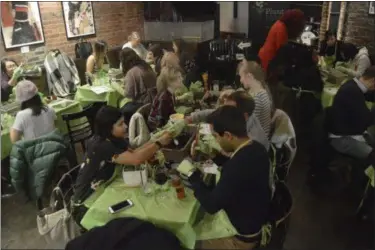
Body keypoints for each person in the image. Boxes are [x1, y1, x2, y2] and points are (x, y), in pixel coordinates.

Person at [189, 106, 272, 249]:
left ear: (228, 135)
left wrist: (192, 175)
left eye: (216, 136)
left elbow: (211, 205)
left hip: (240, 238)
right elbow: (237, 168)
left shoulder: (237, 167)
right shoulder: (257, 148)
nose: (216, 140)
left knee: (192, 241)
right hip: (255, 219)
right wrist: (216, 157)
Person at [72, 106, 172, 218]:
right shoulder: (101, 145)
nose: (125, 126)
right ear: (108, 128)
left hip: (106, 186)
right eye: (120, 124)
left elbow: (134, 153)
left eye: (124, 122)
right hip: (87, 201)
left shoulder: (115, 138)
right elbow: (135, 159)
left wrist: (155, 140)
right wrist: (158, 144)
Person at [186, 90, 269, 150]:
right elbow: (216, 113)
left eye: (228, 109)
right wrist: (191, 118)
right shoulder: (240, 116)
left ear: (245, 115)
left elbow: (237, 158)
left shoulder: (252, 139)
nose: (224, 112)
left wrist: (218, 148)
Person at [328, 66, 375, 167]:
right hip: (342, 139)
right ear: (373, 81)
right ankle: (358, 180)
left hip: (348, 131)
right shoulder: (352, 92)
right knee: (372, 156)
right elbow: (366, 121)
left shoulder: (352, 85)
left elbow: (368, 96)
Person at [239, 60, 273, 138]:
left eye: (241, 76)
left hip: (256, 141)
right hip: (256, 138)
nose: (241, 80)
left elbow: (249, 125)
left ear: (249, 76)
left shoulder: (258, 97)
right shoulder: (259, 91)